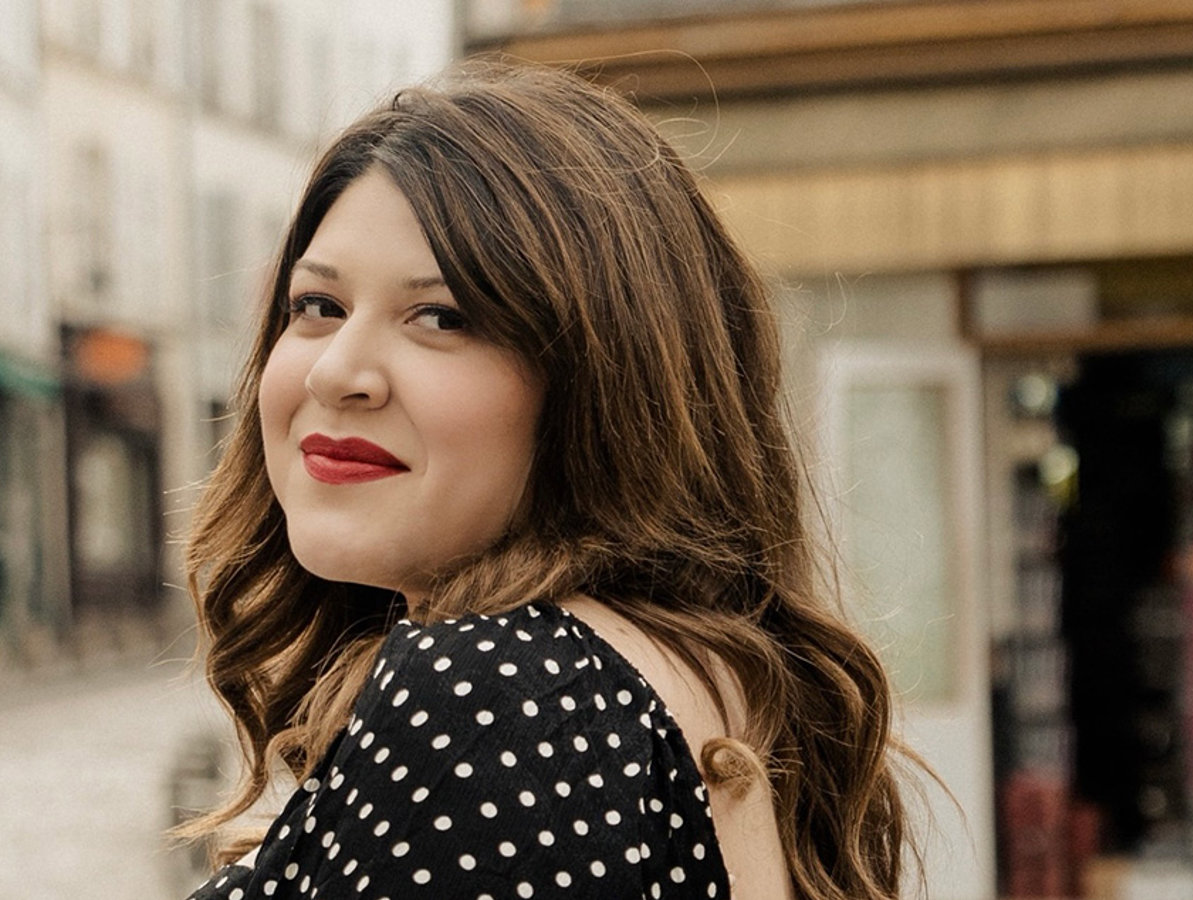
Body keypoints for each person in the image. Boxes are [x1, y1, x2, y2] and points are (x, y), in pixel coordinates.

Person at [179, 62, 917, 900]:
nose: (338, 372)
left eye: (442, 317)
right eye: (317, 306)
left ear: (602, 380)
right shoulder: (695, 676)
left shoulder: (498, 692)